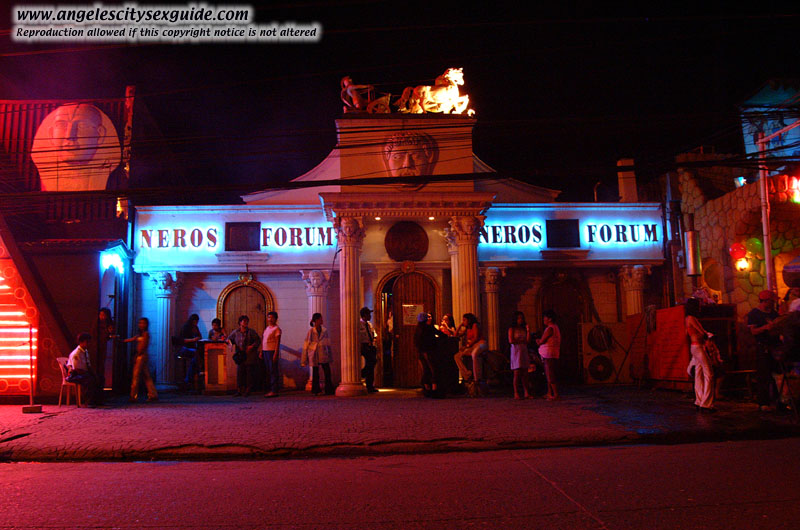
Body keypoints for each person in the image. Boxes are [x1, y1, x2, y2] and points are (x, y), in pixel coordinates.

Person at [748, 290, 780, 411]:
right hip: (763, 347)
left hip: (775, 347)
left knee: (777, 374)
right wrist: (766, 327)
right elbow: (753, 331)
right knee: (763, 375)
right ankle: (763, 402)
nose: (773, 304)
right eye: (771, 301)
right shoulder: (754, 314)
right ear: (765, 301)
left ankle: (778, 400)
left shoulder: (774, 314)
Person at [685, 298, 715, 412]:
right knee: (709, 373)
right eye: (698, 306)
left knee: (698, 374)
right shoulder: (692, 318)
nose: (700, 308)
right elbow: (702, 332)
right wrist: (709, 335)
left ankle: (699, 400)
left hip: (694, 347)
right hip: (698, 347)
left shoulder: (687, 318)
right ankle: (706, 403)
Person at [124, 318, 158, 403]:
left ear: (146, 324)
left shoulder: (146, 334)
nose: (141, 325)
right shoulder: (140, 334)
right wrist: (121, 340)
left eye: (143, 323)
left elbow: (143, 346)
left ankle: (133, 396)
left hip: (141, 356)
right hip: (142, 356)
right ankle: (153, 394)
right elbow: (131, 339)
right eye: (140, 323)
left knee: (136, 376)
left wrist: (137, 355)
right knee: (146, 376)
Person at [301, 313, 335, 395]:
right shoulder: (311, 331)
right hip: (314, 353)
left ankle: (328, 389)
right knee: (315, 372)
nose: (322, 320)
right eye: (320, 319)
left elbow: (328, 343)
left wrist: (330, 356)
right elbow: (306, 345)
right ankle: (316, 390)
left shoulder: (324, 330)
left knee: (327, 371)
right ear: (316, 320)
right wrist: (304, 359)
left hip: (323, 352)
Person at [228, 315, 261, 396]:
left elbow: (258, 340)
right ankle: (239, 390)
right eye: (244, 321)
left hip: (249, 355)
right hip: (240, 356)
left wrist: (252, 346)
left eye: (247, 321)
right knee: (240, 373)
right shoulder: (236, 332)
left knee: (249, 373)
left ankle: (248, 390)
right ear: (240, 322)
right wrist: (231, 345)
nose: (246, 323)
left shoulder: (251, 332)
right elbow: (229, 339)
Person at [66, 332, 102, 406]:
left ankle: (97, 400)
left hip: (83, 372)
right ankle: (88, 401)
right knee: (89, 380)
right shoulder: (76, 353)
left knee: (99, 378)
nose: (89, 344)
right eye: (87, 342)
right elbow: (77, 368)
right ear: (81, 342)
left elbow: (87, 365)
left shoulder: (85, 351)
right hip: (75, 374)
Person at [453, 313, 488, 383]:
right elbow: (455, 335)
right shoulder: (467, 329)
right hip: (472, 346)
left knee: (474, 354)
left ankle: (477, 378)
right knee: (457, 356)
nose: (463, 322)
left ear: (469, 320)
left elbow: (476, 338)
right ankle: (467, 374)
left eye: (464, 320)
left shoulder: (474, 325)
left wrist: (466, 346)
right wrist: (460, 325)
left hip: (480, 344)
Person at [536, 310, 561, 401]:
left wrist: (538, 341)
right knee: (548, 373)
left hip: (549, 354)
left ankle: (555, 394)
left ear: (550, 319)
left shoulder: (550, 328)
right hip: (550, 353)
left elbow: (542, 341)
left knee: (550, 374)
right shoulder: (555, 328)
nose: (544, 319)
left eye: (545, 317)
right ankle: (549, 392)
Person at [508, 311, 532, 400]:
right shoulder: (512, 329)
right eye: (518, 318)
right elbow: (511, 340)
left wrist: (528, 330)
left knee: (525, 372)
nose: (520, 320)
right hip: (516, 351)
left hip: (523, 350)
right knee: (517, 372)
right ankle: (516, 392)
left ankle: (526, 392)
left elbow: (528, 340)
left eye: (522, 318)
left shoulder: (523, 329)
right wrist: (521, 341)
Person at [414, 312, 439, 396]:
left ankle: (426, 387)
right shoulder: (429, 328)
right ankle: (434, 388)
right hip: (429, 351)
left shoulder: (418, 329)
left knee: (426, 369)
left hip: (421, 351)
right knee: (433, 368)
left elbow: (416, 341)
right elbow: (440, 334)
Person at [92, 308, 115, 393]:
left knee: (102, 368)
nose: (102, 317)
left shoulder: (108, 324)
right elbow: (95, 334)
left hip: (103, 348)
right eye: (101, 315)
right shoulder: (97, 324)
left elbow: (110, 335)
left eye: (104, 315)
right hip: (98, 348)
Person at [261, 311, 282, 397]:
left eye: (272, 317)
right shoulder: (267, 328)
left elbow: (277, 342)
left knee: (273, 370)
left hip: (272, 351)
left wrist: (276, 353)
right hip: (265, 351)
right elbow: (264, 341)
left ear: (276, 319)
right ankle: (269, 389)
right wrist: (262, 351)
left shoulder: (276, 329)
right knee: (268, 371)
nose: (270, 319)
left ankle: (274, 390)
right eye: (269, 317)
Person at [177, 314, 202, 389]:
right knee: (196, 356)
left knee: (197, 356)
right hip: (185, 348)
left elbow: (200, 336)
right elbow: (182, 340)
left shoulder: (195, 327)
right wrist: (193, 340)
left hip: (193, 348)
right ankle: (188, 379)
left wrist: (198, 338)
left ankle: (192, 376)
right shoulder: (186, 327)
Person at [358, 306, 378, 393]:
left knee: (372, 364)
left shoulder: (369, 324)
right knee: (371, 362)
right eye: (368, 314)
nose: (370, 316)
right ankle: (362, 373)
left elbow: (372, 334)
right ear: (364, 315)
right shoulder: (359, 324)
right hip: (364, 346)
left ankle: (370, 386)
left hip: (370, 345)